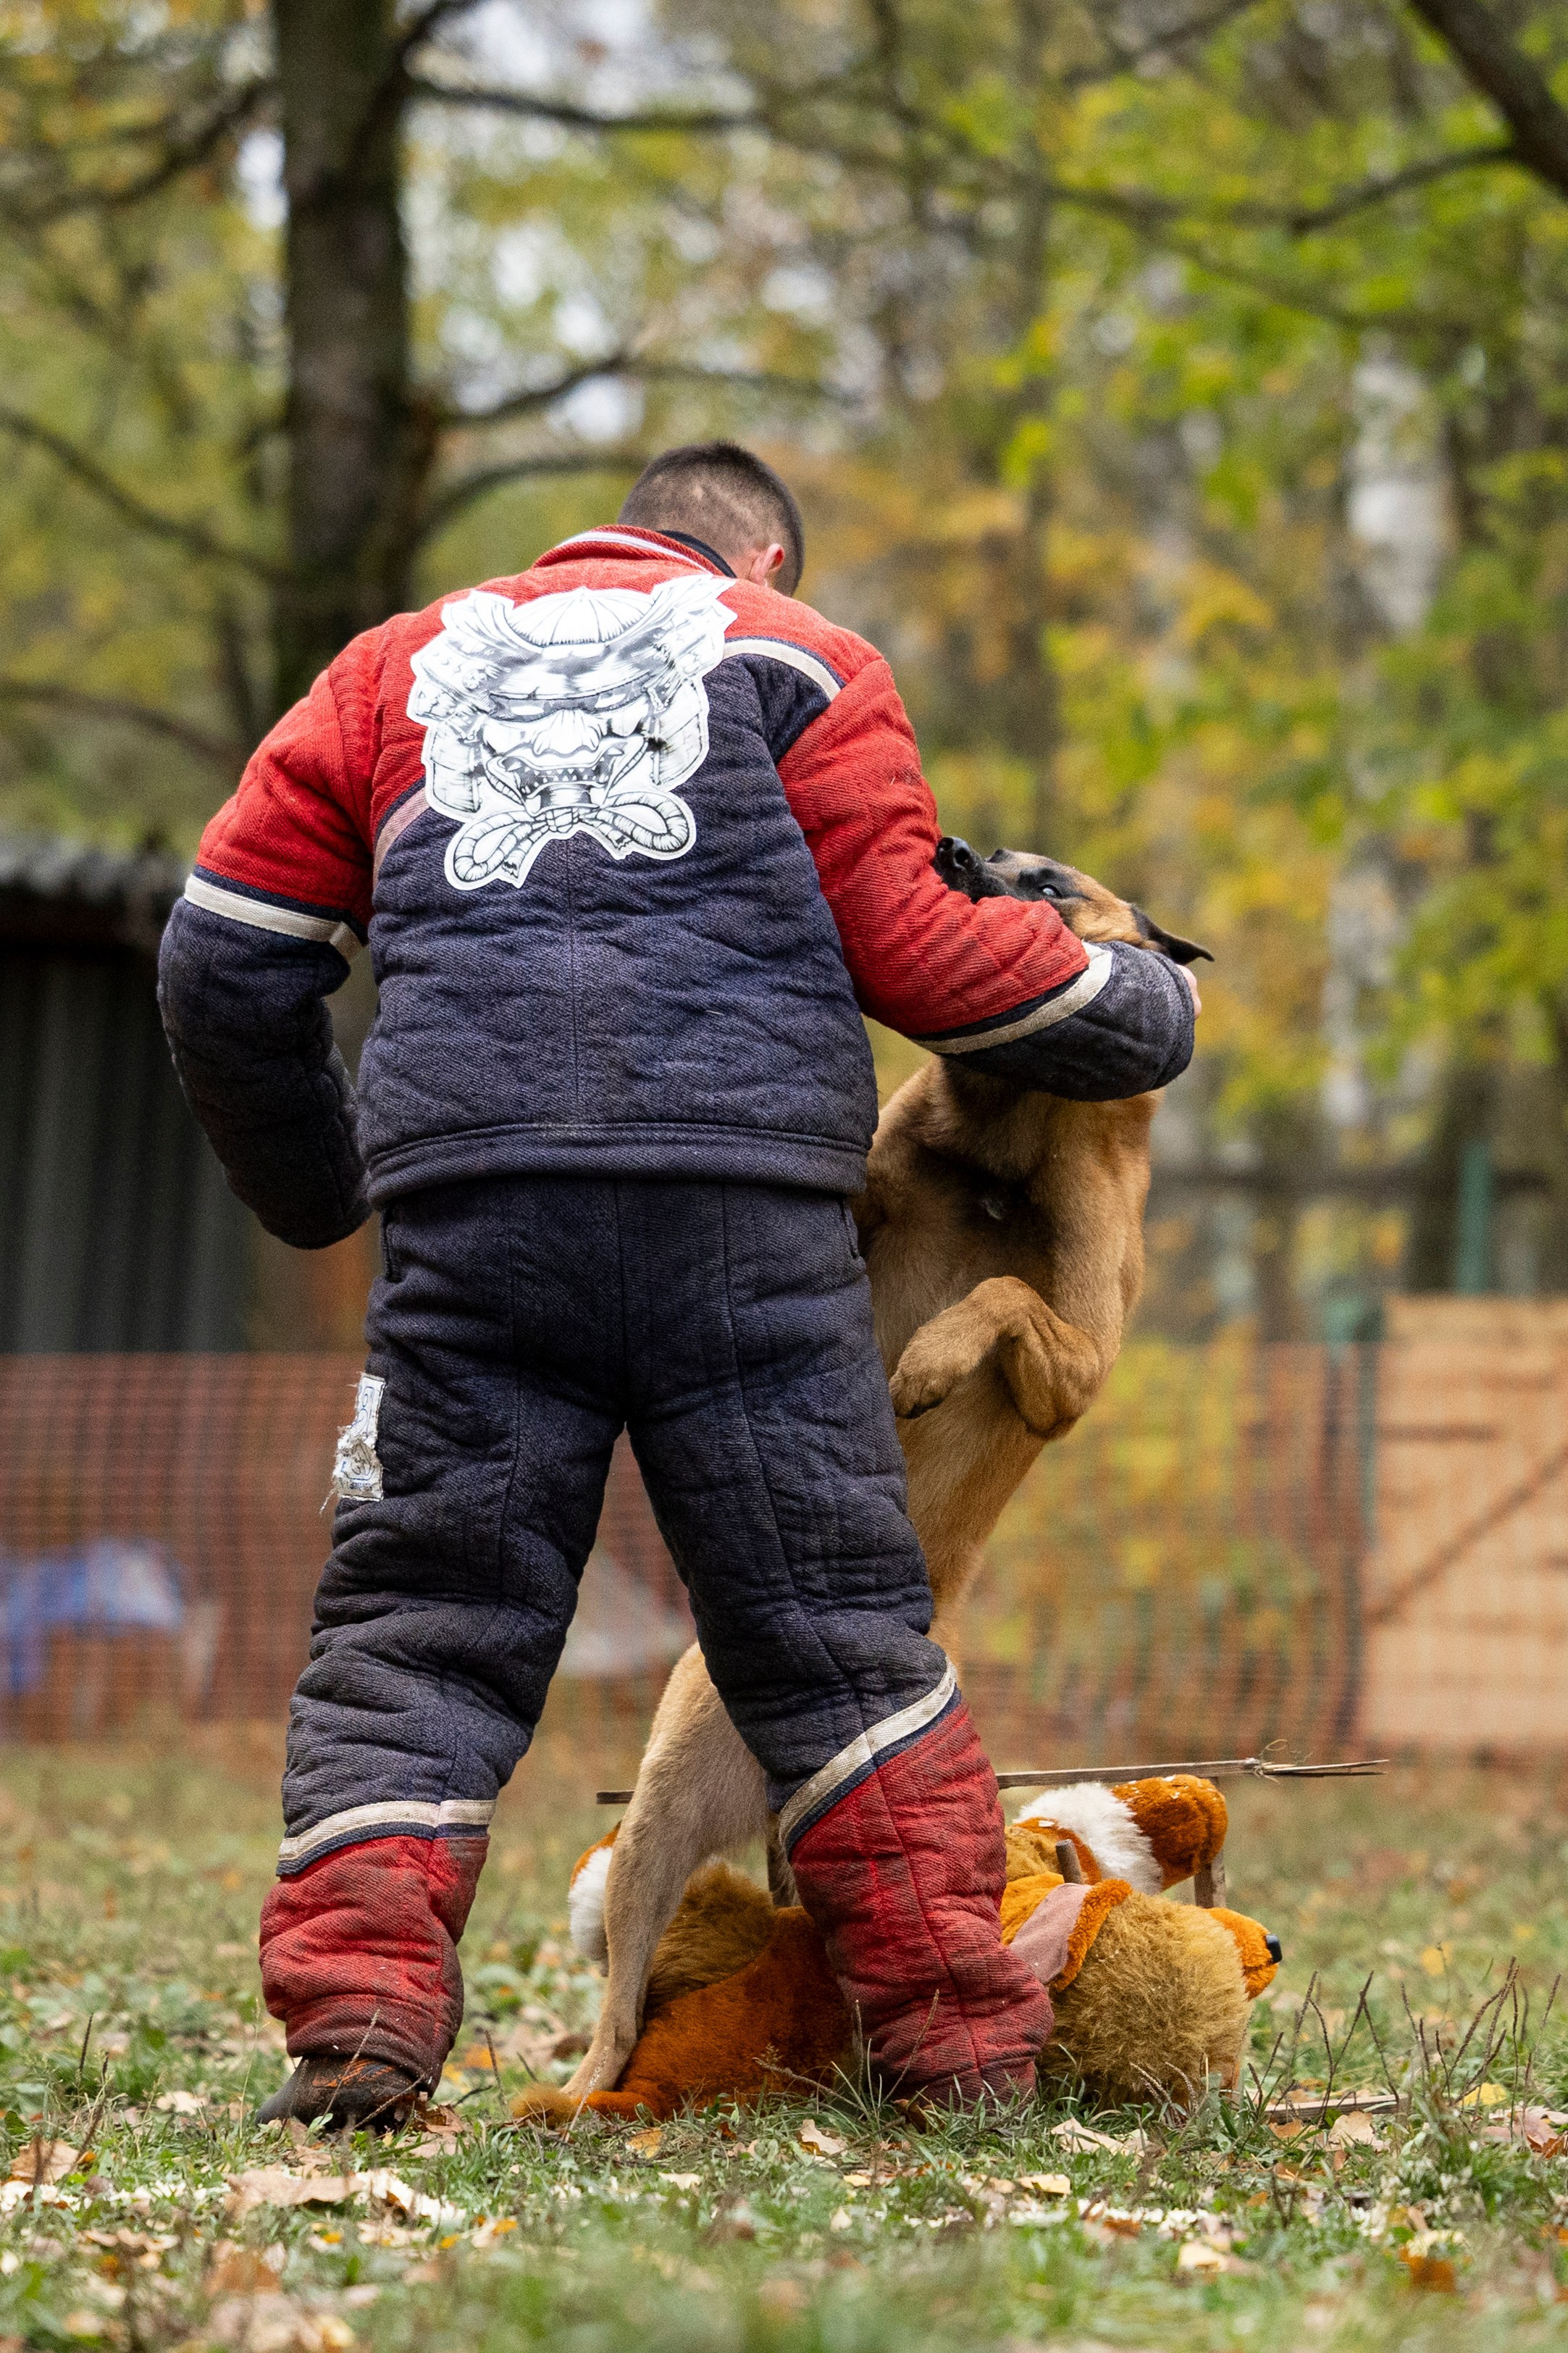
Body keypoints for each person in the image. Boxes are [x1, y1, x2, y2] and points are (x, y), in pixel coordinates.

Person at [159, 442, 1197, 2128]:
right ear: (762, 557)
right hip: (748, 1223)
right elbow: (932, 953)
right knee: (838, 1634)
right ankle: (959, 2048)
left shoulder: (387, 668)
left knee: (419, 1629)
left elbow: (220, 951)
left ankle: (355, 2035)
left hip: (471, 1221)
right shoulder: (803, 658)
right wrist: (1146, 1010)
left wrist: (315, 1189)